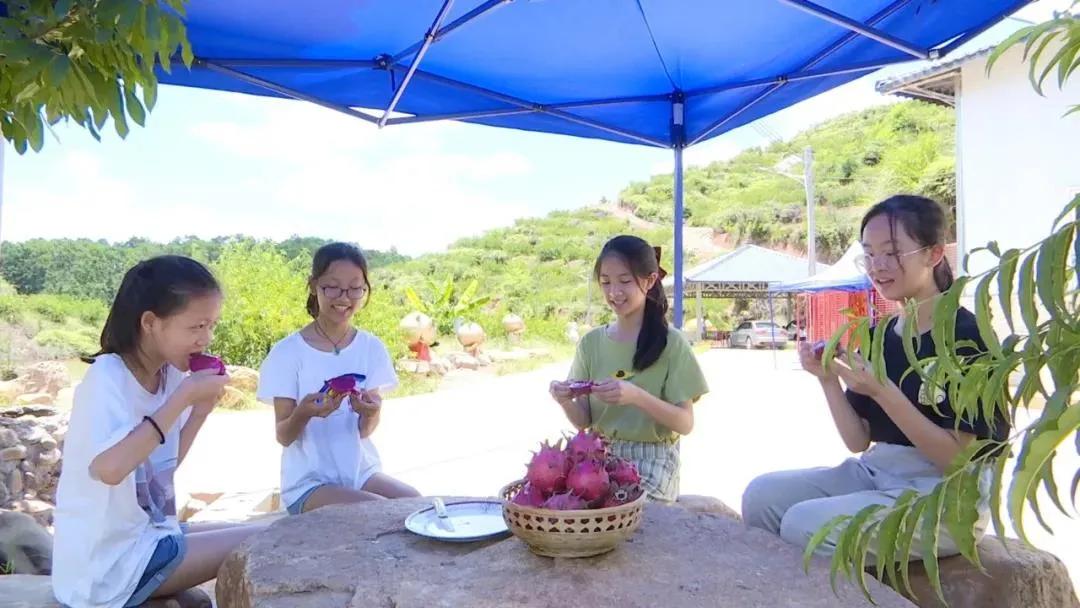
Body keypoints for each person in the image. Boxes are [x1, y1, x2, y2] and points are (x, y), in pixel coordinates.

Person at [741, 195, 1009, 558]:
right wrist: (827, 379)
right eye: (869, 254)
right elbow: (857, 440)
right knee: (761, 496)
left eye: (892, 252)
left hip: (947, 494)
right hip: (878, 471)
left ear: (933, 254)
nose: (877, 266)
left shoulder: (968, 337)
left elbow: (958, 462)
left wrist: (883, 391)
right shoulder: (879, 335)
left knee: (806, 524)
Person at [52, 256, 262, 607]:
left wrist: (200, 411)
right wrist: (182, 399)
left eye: (211, 326)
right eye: (196, 327)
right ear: (150, 322)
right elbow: (110, 470)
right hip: (106, 566)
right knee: (263, 537)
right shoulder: (107, 377)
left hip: (147, 536)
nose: (206, 338)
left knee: (269, 529)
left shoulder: (170, 375)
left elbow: (160, 471)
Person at [258, 242, 419, 515]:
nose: (344, 298)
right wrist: (304, 413)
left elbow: (365, 432)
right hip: (308, 483)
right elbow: (283, 436)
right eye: (332, 287)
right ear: (313, 286)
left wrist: (370, 412)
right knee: (376, 512)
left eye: (355, 288)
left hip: (360, 473)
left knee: (416, 503)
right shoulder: (287, 352)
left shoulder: (371, 347)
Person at [549, 235, 709, 502]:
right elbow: (583, 420)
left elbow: (685, 423)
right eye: (606, 282)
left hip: (653, 460)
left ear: (650, 280)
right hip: (596, 458)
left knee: (620, 507)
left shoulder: (671, 343)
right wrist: (564, 400)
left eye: (625, 281)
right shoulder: (591, 343)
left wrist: (636, 396)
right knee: (559, 505)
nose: (614, 292)